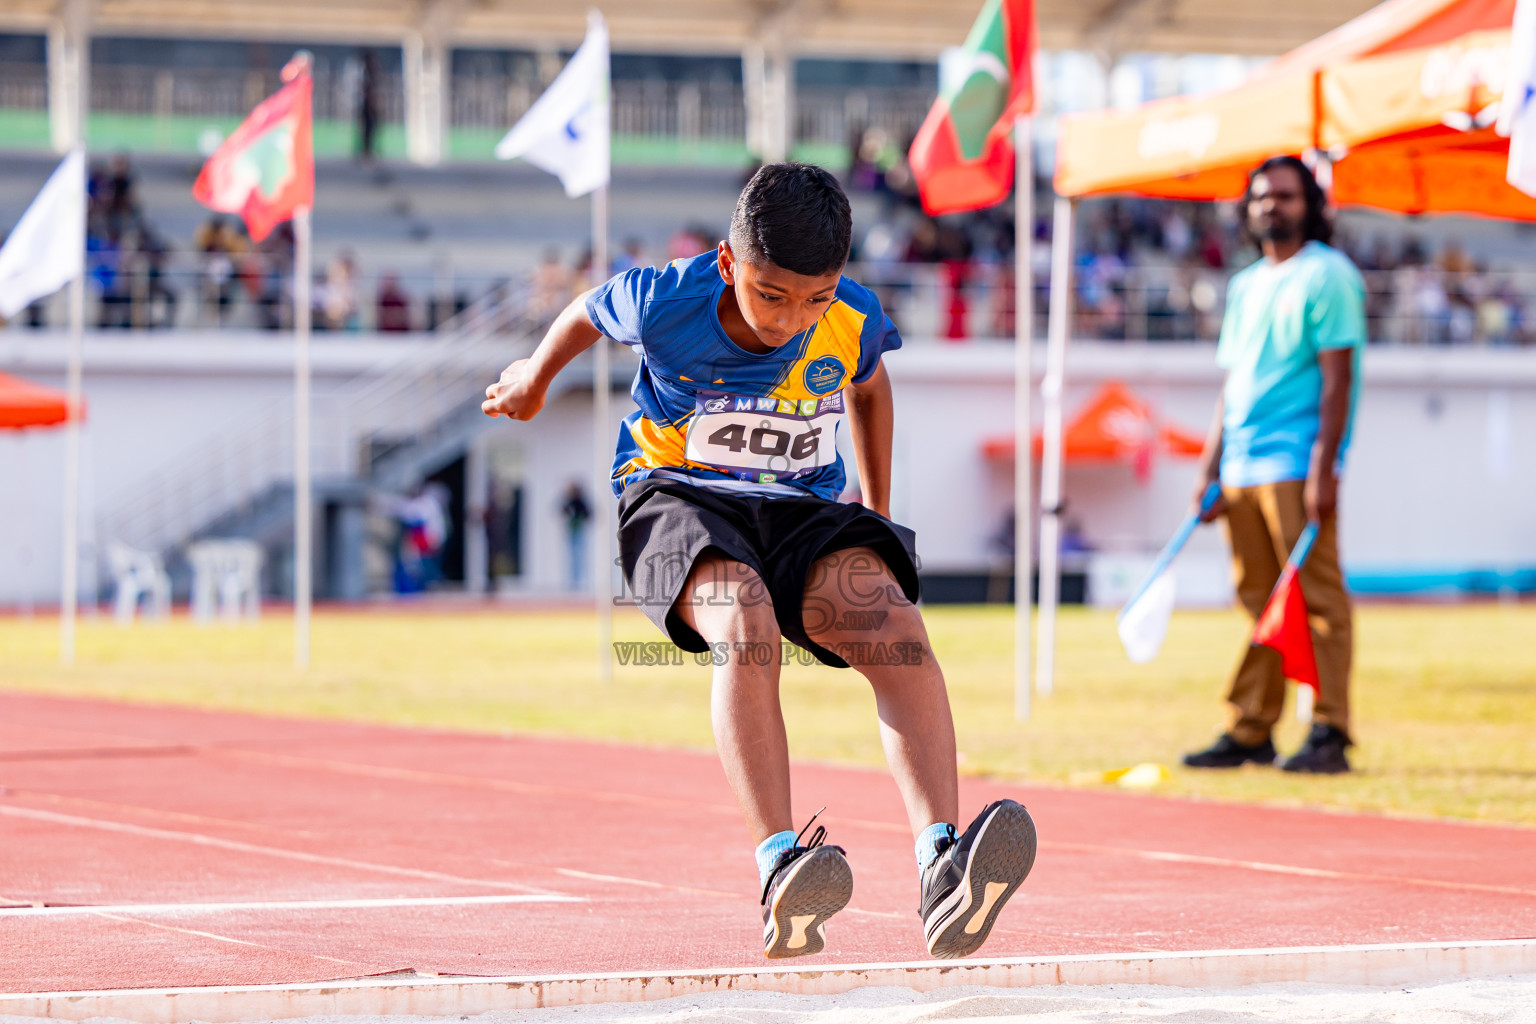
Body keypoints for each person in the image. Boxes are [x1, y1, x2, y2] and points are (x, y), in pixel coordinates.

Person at [483, 163, 1037, 961]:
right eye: (770, 295)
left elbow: (870, 388)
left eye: (814, 299)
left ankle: (942, 864)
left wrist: (874, 510)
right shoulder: (664, 298)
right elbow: (583, 311)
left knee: (897, 631)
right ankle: (782, 867)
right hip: (676, 495)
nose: (790, 320)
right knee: (745, 624)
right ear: (727, 263)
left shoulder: (850, 316)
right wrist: (534, 381)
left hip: (802, 509)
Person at [1184, 155, 1364, 776]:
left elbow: (1338, 380)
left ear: (1309, 205)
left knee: (1316, 598)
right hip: (1239, 468)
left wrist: (1325, 466)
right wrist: (1208, 469)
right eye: (1262, 196)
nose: (1272, 205)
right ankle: (1252, 728)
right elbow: (1233, 386)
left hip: (1295, 463)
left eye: (1286, 196)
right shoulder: (1245, 284)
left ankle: (1331, 728)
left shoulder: (1329, 275)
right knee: (1261, 603)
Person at [560, 481, 591, 591]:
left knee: (580, 557)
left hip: (579, 532)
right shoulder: (569, 502)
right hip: (571, 532)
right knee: (571, 557)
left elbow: (588, 515)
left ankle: (580, 581)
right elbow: (562, 511)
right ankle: (572, 582)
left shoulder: (581, 503)